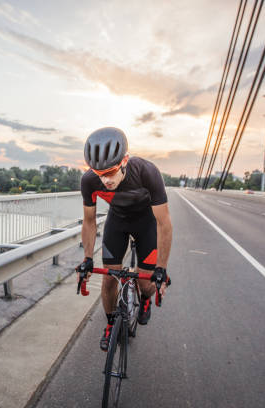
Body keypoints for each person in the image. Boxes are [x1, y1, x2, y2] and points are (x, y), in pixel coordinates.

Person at [75, 127, 173, 351]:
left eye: (110, 172)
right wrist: (87, 258)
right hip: (117, 221)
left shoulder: (147, 172)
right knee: (109, 279)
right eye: (99, 173)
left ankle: (145, 298)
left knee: (145, 282)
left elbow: (164, 224)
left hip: (147, 222)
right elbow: (89, 221)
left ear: (125, 161)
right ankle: (110, 324)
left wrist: (161, 268)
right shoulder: (89, 181)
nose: (105, 180)